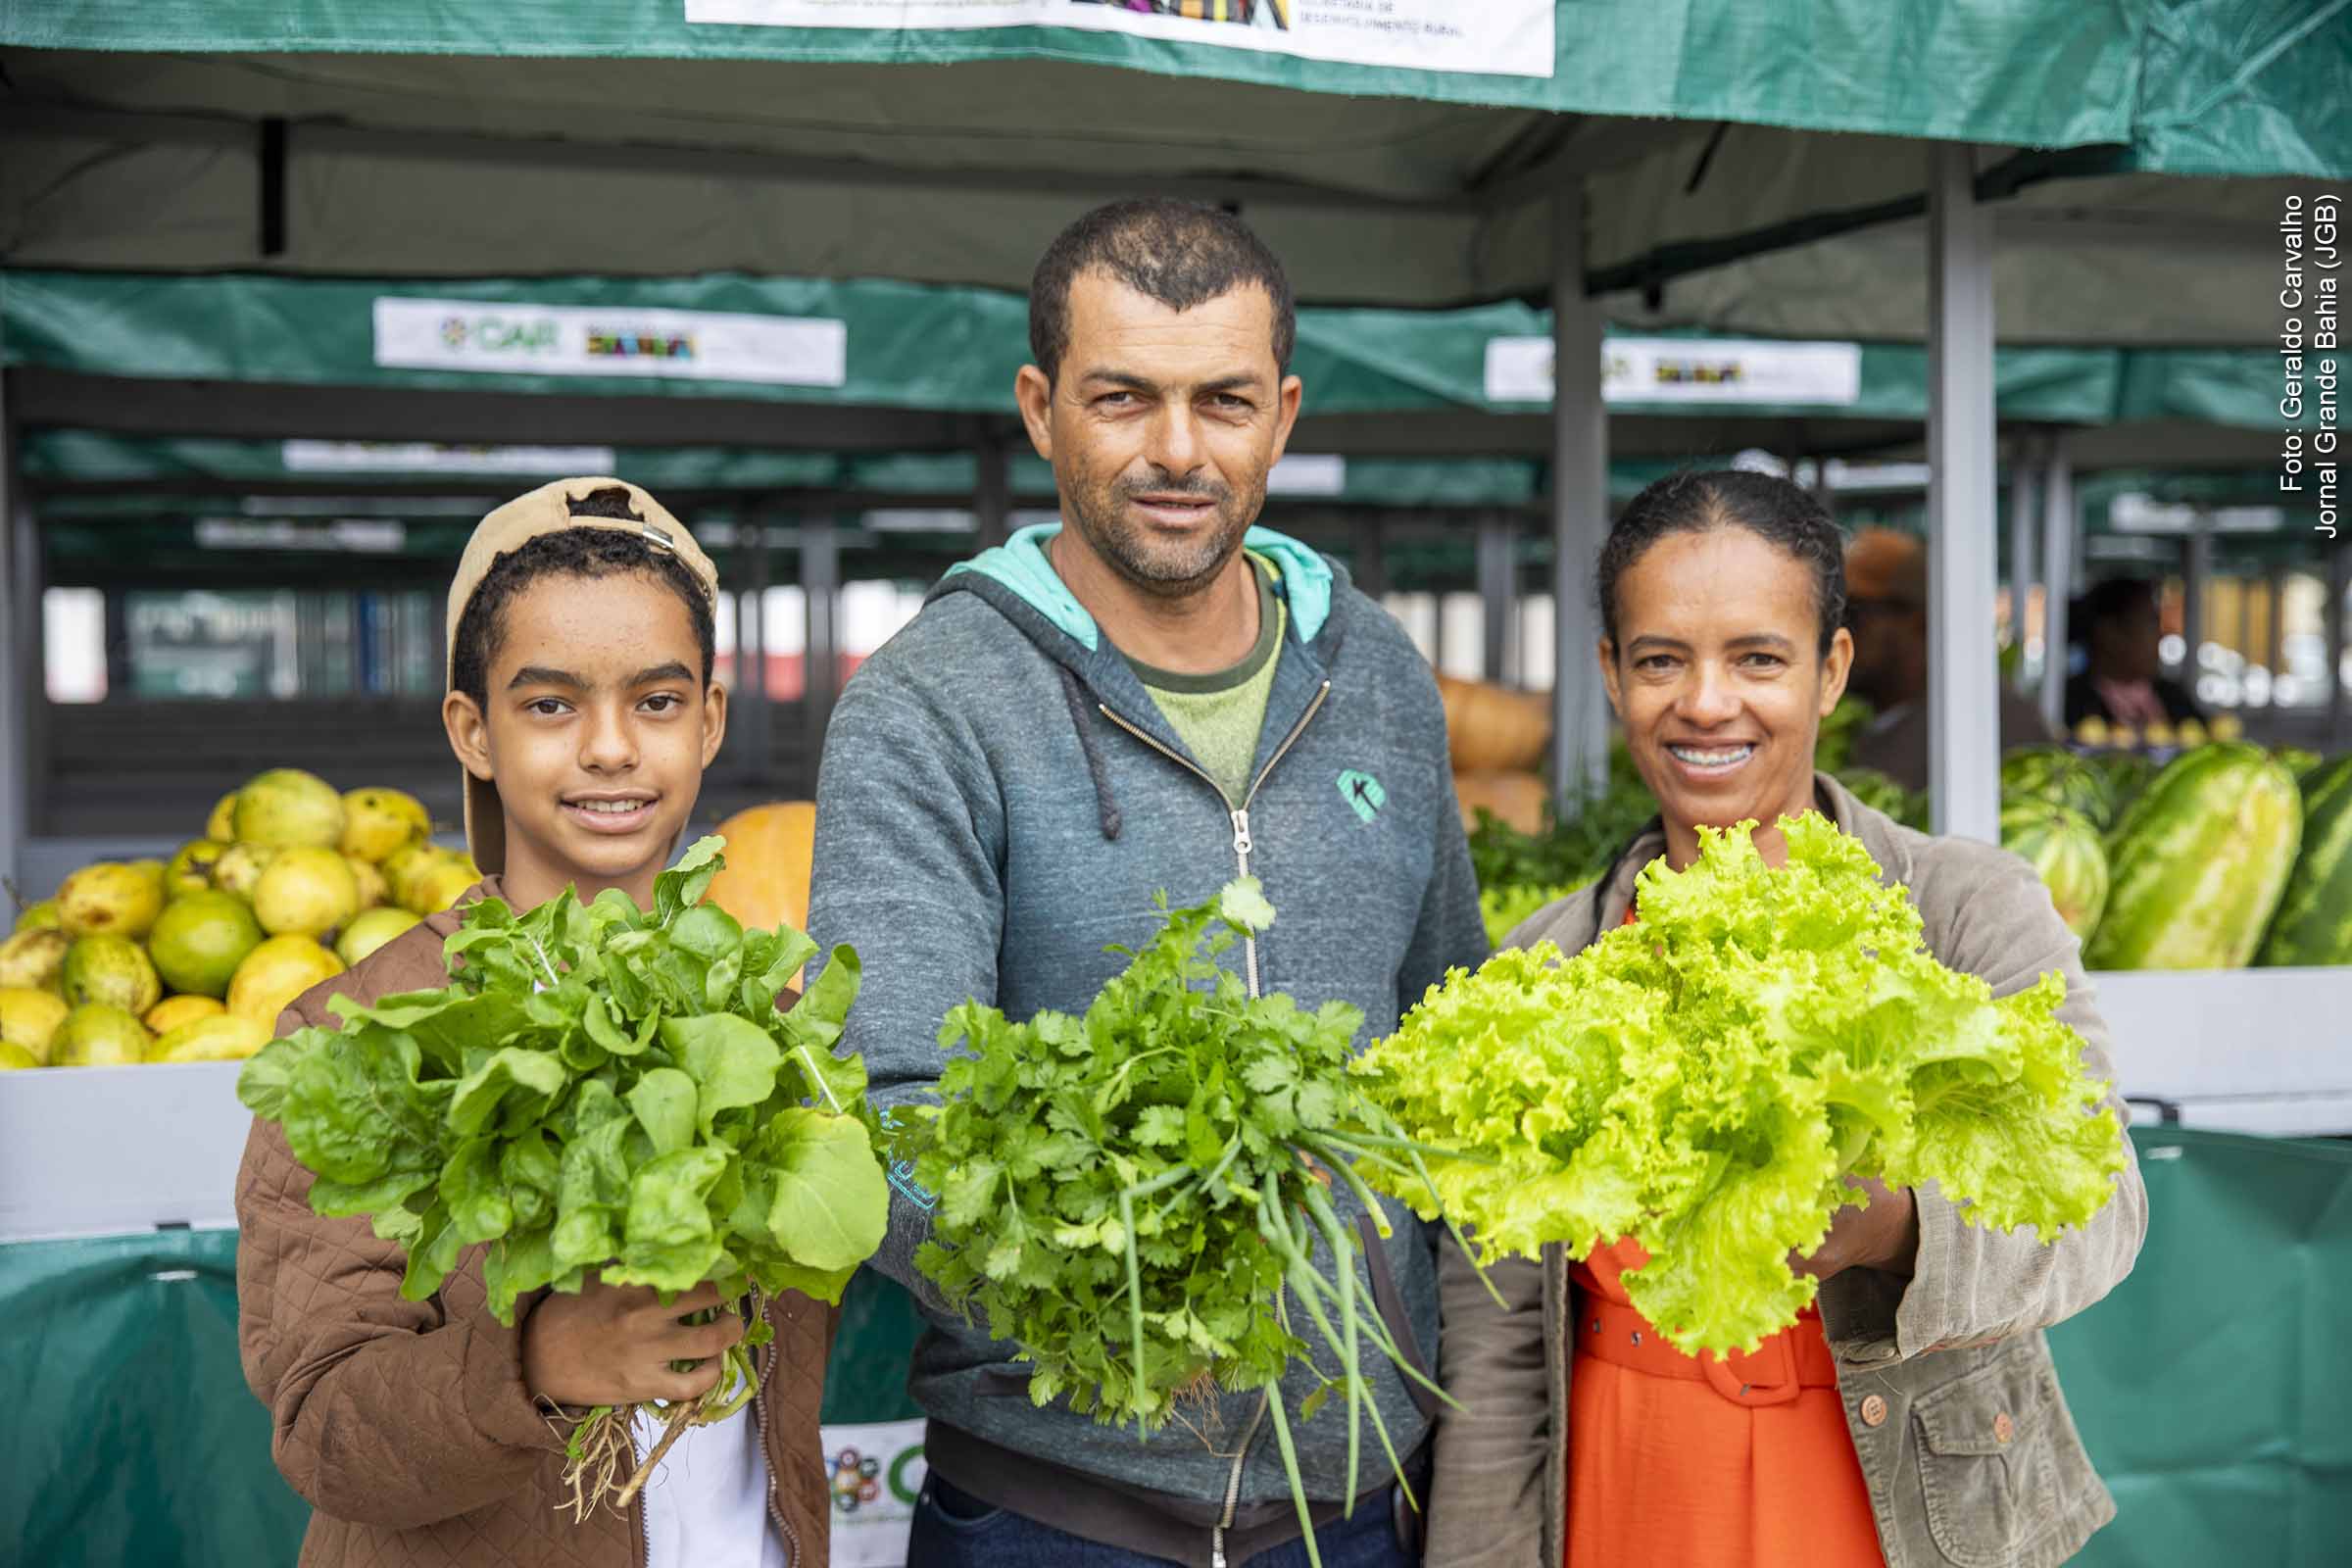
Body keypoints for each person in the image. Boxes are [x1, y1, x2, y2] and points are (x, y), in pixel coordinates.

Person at [807, 199, 1487, 1567]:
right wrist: (1134, 1284)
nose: (1179, 450)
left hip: (1363, 1505)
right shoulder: (930, 705)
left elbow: (1454, 1036)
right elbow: (887, 1110)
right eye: (1125, 398)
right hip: (1058, 1512)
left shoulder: (1379, 679)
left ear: (1282, 416)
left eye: (1223, 401)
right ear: (1041, 407)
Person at [1427, 471, 2147, 1568]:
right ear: (1614, 676)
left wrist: (1893, 1227)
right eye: (1662, 658)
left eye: (1759, 658)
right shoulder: (1546, 962)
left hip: (1886, 1499)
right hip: (1630, 1491)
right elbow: (1496, 1344)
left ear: (1831, 671)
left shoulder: (1963, 909)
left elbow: (2099, 1209)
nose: (1707, 702)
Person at [236, 478, 835, 1568]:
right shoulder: (359, 1036)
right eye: (550, 704)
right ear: (473, 730)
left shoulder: (771, 1029)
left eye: (656, 702)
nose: (609, 747)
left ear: (709, 720)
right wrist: (539, 1361)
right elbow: (325, 1430)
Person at [1840, 526, 2051, 791]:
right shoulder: (1857, 719)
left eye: (1854, 614)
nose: (1838, 632)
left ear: (1917, 622)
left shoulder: (1990, 724)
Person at [2063, 576, 2204, 733]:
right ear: (2109, 633)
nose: (2160, 636)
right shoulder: (2069, 705)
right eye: (2151, 622)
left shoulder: (2175, 699)